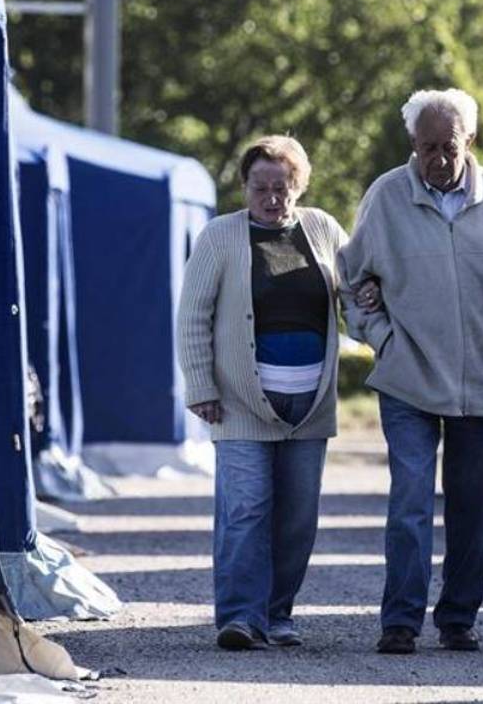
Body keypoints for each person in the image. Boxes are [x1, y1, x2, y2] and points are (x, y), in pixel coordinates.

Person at [338, 89, 483, 654]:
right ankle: (400, 621)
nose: (437, 157)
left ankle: (458, 617)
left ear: (469, 142)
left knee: (473, 507)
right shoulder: (386, 197)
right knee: (409, 501)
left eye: (447, 146)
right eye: (426, 146)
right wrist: (382, 339)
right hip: (409, 378)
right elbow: (352, 285)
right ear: (413, 143)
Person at [176, 135, 379, 650]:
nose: (271, 197)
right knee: (246, 509)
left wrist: (369, 297)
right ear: (244, 187)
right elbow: (192, 317)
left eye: (282, 187)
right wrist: (201, 385)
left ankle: (277, 611)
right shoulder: (220, 237)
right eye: (260, 187)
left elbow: (353, 296)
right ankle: (241, 617)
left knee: (297, 516)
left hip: (308, 405)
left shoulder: (324, 229)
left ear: (299, 186)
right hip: (241, 401)